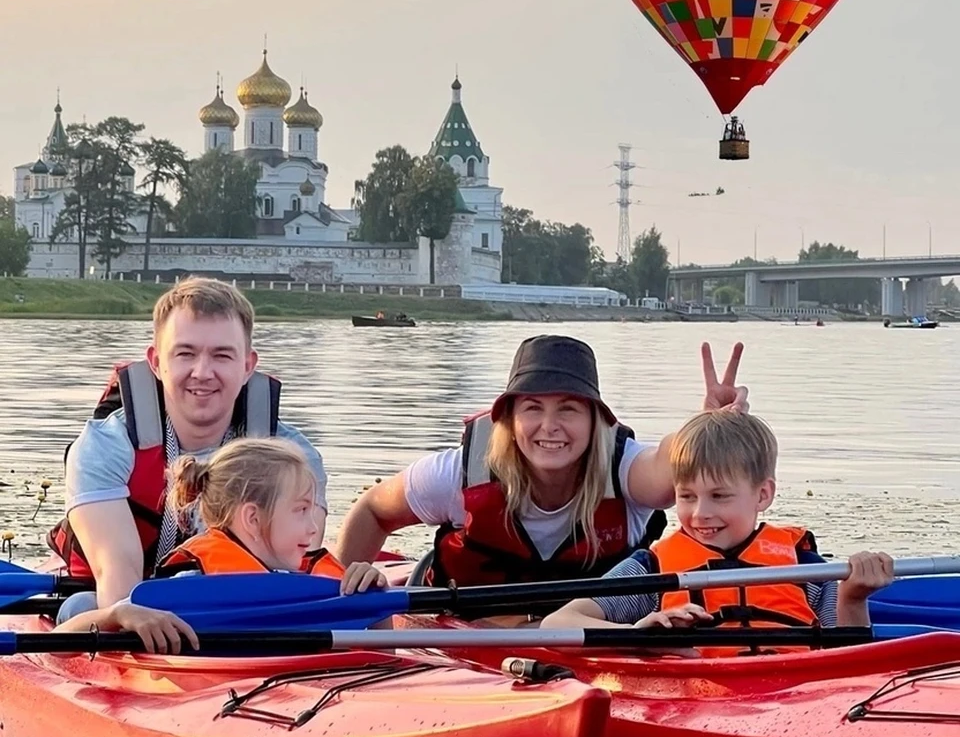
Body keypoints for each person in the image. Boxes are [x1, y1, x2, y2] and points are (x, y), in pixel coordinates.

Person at [335, 334, 748, 595]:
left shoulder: (625, 470)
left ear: (595, 421)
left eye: (568, 409)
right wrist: (339, 590)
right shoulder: (459, 474)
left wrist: (705, 424)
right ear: (511, 420)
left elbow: (671, 461)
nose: (549, 427)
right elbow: (374, 510)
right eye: (533, 408)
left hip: (591, 641)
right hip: (465, 646)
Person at [50, 277, 328, 620]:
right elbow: (118, 584)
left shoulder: (296, 459)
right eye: (185, 353)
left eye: (222, 355)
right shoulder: (102, 447)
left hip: (242, 613)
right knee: (80, 608)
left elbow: (301, 573)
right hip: (125, 611)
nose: (202, 372)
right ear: (155, 362)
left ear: (247, 366)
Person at [540, 409, 894, 651]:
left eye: (720, 496)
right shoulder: (651, 568)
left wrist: (853, 596)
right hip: (695, 699)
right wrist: (639, 635)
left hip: (793, 697)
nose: (699, 513)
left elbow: (848, 653)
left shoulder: (807, 567)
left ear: (763, 494)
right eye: (687, 496)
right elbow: (558, 623)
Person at [56, 439, 385, 652]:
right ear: (253, 518)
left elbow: (387, 656)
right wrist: (118, 614)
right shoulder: (188, 588)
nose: (314, 527)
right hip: (209, 696)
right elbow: (56, 646)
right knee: (80, 607)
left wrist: (376, 602)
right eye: (300, 510)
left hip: (297, 689)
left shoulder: (325, 584)